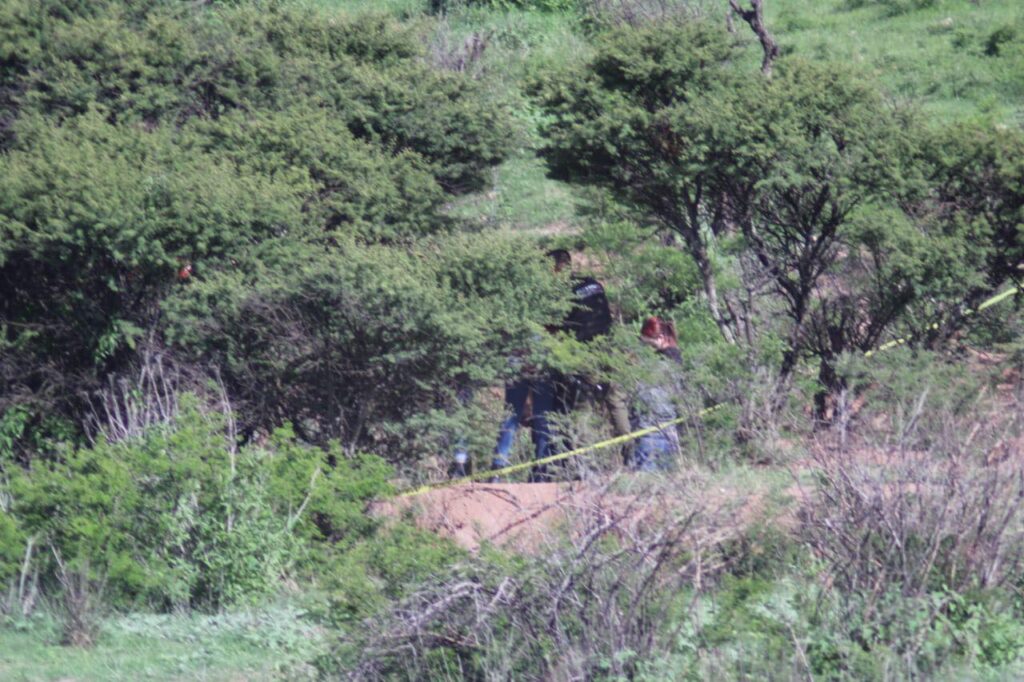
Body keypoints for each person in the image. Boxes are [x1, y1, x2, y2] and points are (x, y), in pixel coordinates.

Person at [629, 316, 683, 471]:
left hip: (652, 432)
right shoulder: (675, 358)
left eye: (647, 343)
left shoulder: (661, 364)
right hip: (669, 431)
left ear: (660, 338)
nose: (645, 347)